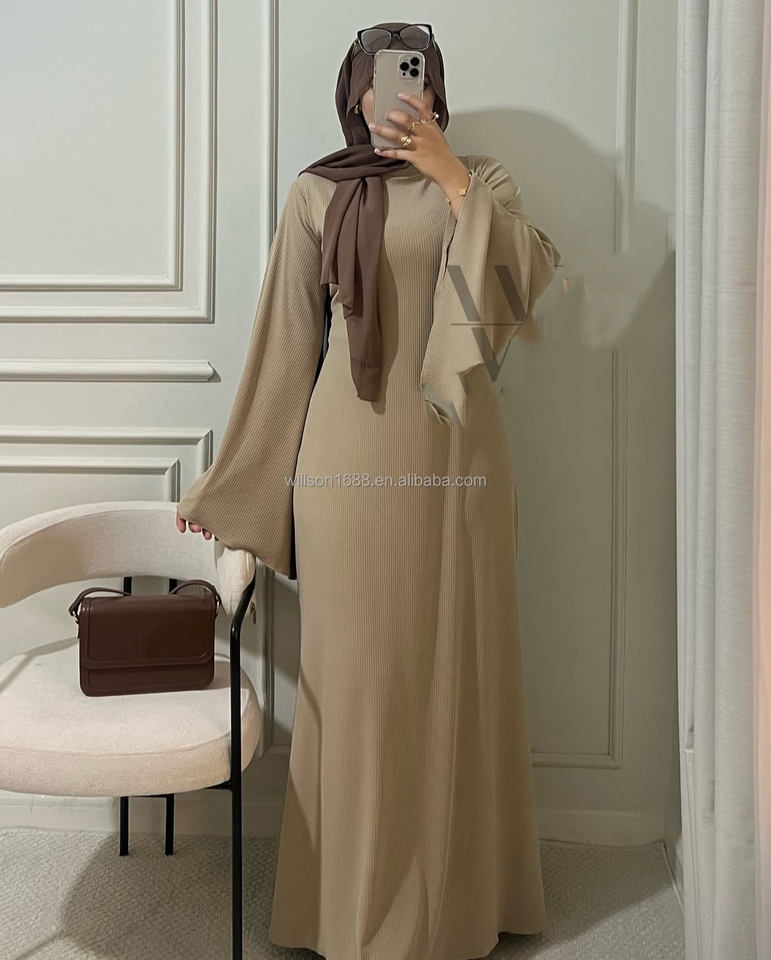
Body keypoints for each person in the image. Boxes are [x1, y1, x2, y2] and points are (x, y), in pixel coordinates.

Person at [176, 20, 561, 960]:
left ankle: (460, 907)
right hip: (347, 469)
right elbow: (284, 349)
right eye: (377, 78)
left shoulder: (483, 179)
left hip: (460, 463)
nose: (393, 92)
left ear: (434, 88)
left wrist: (451, 178)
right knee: (358, 684)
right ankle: (347, 915)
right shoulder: (315, 192)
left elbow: (519, 287)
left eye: (412, 75)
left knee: (458, 672)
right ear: (352, 91)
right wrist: (232, 488)